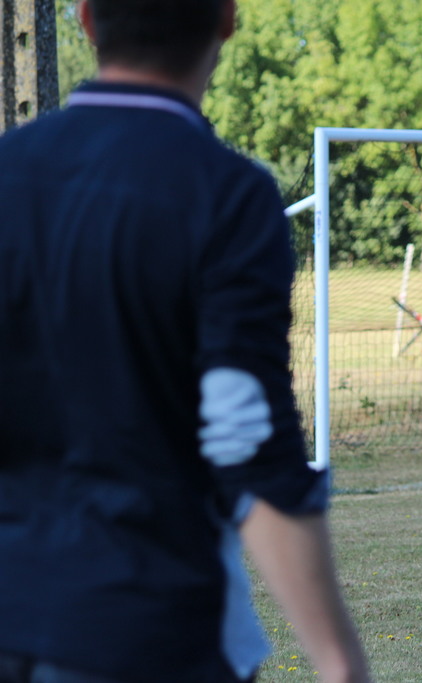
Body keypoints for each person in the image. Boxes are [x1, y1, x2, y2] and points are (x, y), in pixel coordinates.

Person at [0, 1, 369, 681]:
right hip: (151, 629)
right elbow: (243, 436)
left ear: (85, 20)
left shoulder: (10, 168)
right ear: (227, 20)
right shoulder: (228, 194)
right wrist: (338, 660)